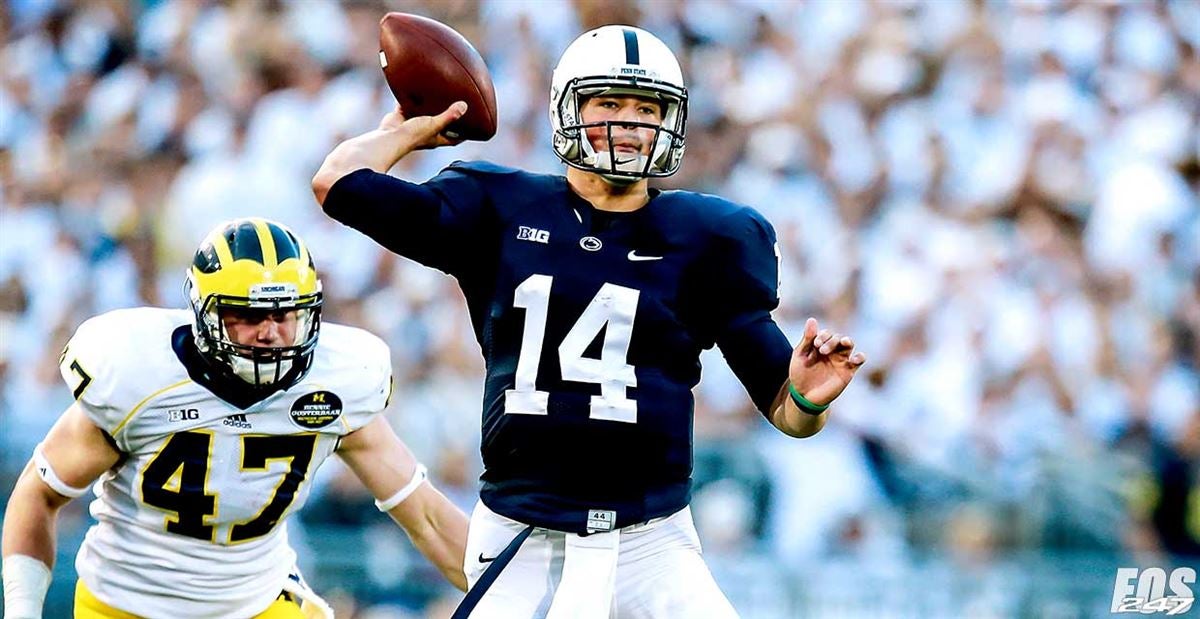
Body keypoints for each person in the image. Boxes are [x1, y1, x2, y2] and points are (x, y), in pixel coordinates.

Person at [312, 25, 866, 618]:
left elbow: (785, 411)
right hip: (521, 537)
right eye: (609, 103)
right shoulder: (499, 206)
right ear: (567, 109)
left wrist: (807, 399)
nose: (629, 124)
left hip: (651, 543)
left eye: (646, 108)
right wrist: (408, 128)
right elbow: (339, 184)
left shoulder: (708, 237)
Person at [2, 218, 469, 618]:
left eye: (286, 314)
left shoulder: (338, 383)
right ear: (204, 313)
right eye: (248, 315)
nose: (270, 332)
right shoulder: (136, 374)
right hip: (127, 604)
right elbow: (37, 496)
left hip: (255, 602)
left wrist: (521, 591)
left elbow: (425, 514)